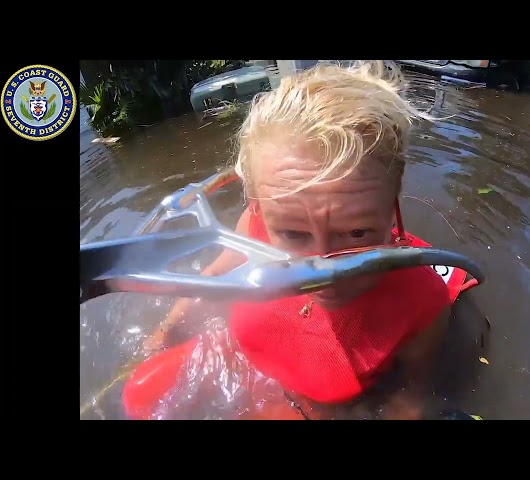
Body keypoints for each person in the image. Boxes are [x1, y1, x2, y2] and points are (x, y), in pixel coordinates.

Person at [130, 60, 453, 420]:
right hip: (240, 353)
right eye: (293, 234)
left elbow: (408, 398)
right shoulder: (254, 224)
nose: (325, 268)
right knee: (141, 394)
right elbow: (212, 278)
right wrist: (167, 328)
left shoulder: (423, 301)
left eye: (357, 233)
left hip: (310, 406)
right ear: (259, 206)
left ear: (392, 201)